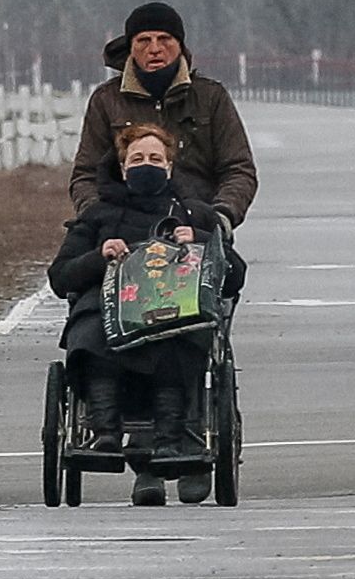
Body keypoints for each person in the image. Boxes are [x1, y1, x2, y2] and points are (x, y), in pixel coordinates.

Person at [49, 122, 242, 506]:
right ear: (122, 168)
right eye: (137, 159)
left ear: (170, 166)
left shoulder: (193, 214)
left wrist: (202, 242)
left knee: (180, 334)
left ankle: (170, 438)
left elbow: (235, 275)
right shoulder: (98, 216)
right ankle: (104, 430)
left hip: (171, 310)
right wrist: (99, 255)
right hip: (108, 309)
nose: (146, 165)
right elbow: (60, 276)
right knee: (89, 332)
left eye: (156, 158)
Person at [67, 0, 258, 226]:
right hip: (122, 227)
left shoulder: (211, 97)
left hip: (198, 224)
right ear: (131, 47)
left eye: (165, 39)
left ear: (180, 45)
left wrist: (222, 215)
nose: (155, 49)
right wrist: (96, 217)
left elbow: (238, 169)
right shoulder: (106, 100)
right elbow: (86, 174)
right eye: (144, 40)